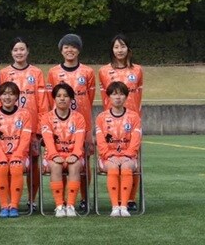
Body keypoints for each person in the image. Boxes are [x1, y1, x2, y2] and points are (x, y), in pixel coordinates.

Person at [0, 37, 48, 209]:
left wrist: (40, 127)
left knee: (33, 163)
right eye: (15, 50)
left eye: (22, 49)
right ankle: (11, 200)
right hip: (9, 129)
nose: (19, 53)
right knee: (10, 162)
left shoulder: (36, 73)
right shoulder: (4, 73)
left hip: (31, 128)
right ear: (11, 52)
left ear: (28, 51)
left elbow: (42, 102)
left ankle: (31, 199)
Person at [46, 33, 95, 211]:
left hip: (82, 124)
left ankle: (84, 198)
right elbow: (50, 99)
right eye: (66, 47)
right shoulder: (53, 72)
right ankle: (64, 200)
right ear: (61, 50)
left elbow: (89, 98)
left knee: (83, 162)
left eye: (73, 47)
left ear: (79, 50)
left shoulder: (88, 72)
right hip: (60, 126)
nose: (70, 50)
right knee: (61, 159)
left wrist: (86, 125)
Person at [98, 34, 144, 211]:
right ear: (112, 49)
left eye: (122, 46)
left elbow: (139, 96)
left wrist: (137, 119)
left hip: (132, 122)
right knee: (113, 161)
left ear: (128, 49)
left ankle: (130, 199)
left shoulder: (137, 70)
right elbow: (104, 98)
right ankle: (116, 200)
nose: (119, 50)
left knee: (132, 160)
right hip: (111, 122)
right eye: (116, 47)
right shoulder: (103, 71)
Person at [0, 82, 32, 218]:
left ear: (17, 97)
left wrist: (17, 155)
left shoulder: (25, 114)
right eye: (4, 94)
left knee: (16, 166)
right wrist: (0, 156)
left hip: (20, 156)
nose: (7, 97)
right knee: (2, 166)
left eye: (11, 94)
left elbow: (25, 139)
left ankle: (14, 206)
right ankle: (4, 206)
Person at [95, 81, 142, 217]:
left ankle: (124, 206)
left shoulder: (134, 117)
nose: (118, 97)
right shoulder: (101, 118)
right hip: (107, 158)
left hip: (129, 157)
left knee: (126, 166)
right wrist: (109, 155)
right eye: (114, 94)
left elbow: (136, 140)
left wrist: (128, 155)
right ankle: (115, 206)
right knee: (113, 167)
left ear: (126, 97)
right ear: (108, 97)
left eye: (121, 94)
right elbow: (100, 142)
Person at [41, 83, 86, 217]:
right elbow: (48, 140)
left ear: (71, 99)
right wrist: (54, 155)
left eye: (66, 96)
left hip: (73, 155)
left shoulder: (79, 118)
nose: (62, 98)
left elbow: (80, 140)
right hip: (52, 156)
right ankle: (59, 205)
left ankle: (70, 205)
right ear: (54, 98)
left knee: (75, 165)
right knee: (56, 166)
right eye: (59, 96)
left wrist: (76, 154)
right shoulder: (46, 118)